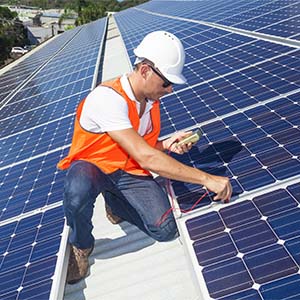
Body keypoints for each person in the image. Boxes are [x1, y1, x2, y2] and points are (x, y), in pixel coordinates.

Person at [57, 31, 232, 285]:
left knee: (166, 230)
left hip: (127, 171)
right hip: (93, 169)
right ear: (145, 70)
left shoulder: (150, 102)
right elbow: (146, 157)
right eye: (166, 83)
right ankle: (82, 245)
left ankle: (114, 203)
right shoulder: (108, 99)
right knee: (77, 191)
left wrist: (166, 145)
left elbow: (144, 147)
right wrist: (207, 179)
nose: (170, 90)